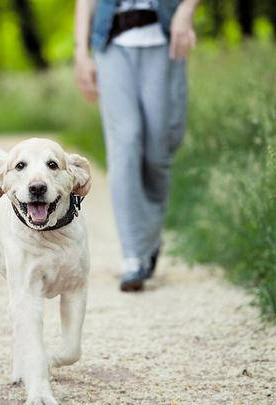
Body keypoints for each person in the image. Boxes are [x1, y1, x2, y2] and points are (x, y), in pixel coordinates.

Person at [74, 0, 199, 291]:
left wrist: (187, 9)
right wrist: (81, 52)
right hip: (111, 43)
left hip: (164, 38)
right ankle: (132, 255)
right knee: (125, 142)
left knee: (158, 152)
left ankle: (149, 237)